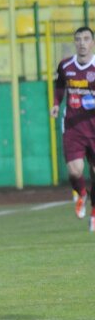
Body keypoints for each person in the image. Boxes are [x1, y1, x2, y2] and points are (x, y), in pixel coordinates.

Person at [50, 24, 95, 230]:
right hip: (73, 127)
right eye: (78, 39)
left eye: (86, 39)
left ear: (92, 42)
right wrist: (56, 105)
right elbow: (60, 87)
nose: (82, 43)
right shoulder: (65, 66)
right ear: (74, 43)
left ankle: (94, 213)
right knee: (74, 171)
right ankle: (82, 193)